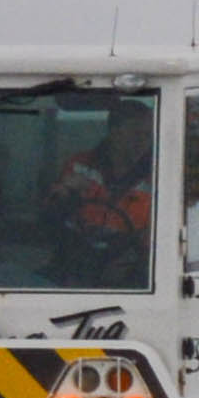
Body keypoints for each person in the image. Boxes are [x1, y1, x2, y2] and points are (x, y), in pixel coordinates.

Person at [49, 101, 156, 284]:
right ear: (114, 133)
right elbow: (50, 218)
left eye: (148, 135)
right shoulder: (79, 165)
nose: (143, 142)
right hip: (74, 261)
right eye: (136, 134)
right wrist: (64, 195)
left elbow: (160, 239)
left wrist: (130, 260)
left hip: (131, 271)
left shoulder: (159, 177)